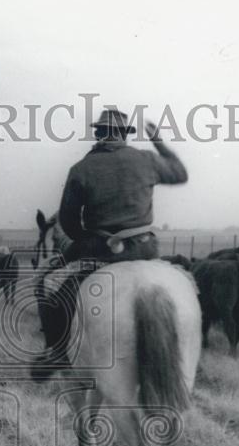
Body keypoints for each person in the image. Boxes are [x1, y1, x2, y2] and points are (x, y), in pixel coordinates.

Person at [36, 108, 188, 368]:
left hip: (100, 251)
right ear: (124, 135)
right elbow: (180, 174)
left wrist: (83, 240)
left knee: (48, 283)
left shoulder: (81, 168)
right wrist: (160, 143)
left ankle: (57, 352)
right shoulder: (147, 159)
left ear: (99, 133)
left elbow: (69, 222)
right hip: (145, 250)